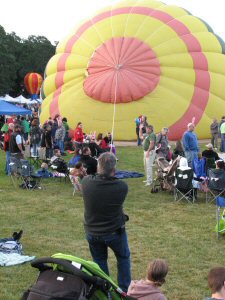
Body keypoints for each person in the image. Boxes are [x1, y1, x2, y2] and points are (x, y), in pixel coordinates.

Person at [82, 152, 131, 292]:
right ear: (114, 169)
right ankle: (124, 290)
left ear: (98, 167)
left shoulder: (86, 182)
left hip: (93, 232)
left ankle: (104, 290)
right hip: (114, 232)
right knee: (123, 258)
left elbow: (90, 176)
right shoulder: (121, 187)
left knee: (99, 261)